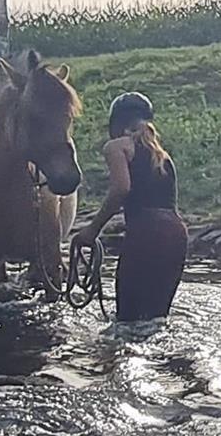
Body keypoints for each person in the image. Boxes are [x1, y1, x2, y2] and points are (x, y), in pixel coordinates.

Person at [74, 92, 187, 322]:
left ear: (116, 123)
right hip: (176, 233)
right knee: (157, 319)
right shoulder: (162, 155)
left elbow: (121, 189)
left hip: (146, 232)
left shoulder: (117, 147)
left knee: (127, 320)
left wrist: (92, 230)